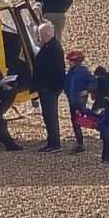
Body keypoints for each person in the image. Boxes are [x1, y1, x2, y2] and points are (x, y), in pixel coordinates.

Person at [32, 22, 65, 153]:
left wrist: (44, 85)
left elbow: (51, 70)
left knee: (50, 115)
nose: (39, 37)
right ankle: (52, 141)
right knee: (48, 115)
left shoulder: (52, 49)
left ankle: (55, 143)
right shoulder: (52, 46)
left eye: (40, 34)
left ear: (45, 34)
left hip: (49, 88)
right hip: (49, 87)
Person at [64, 50, 95, 154]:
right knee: (75, 120)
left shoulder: (83, 71)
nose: (69, 63)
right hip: (72, 100)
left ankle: (80, 143)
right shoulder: (70, 72)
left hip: (79, 100)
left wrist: (87, 90)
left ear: (76, 61)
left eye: (71, 61)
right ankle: (79, 142)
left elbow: (93, 81)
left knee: (78, 119)